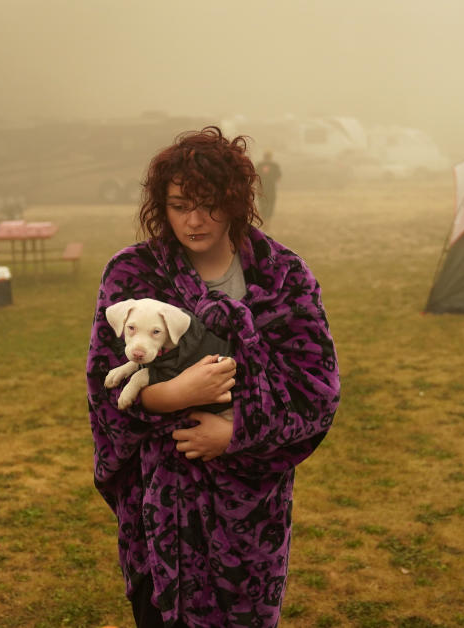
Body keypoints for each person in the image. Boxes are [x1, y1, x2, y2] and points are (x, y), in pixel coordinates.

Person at [86, 126, 340, 628]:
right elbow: (103, 386)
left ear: (236, 200)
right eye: (180, 205)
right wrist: (171, 394)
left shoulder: (283, 275)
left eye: (209, 203)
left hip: (250, 516)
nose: (195, 220)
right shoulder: (133, 274)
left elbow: (317, 391)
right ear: (162, 205)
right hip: (162, 511)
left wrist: (235, 433)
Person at [255, 150, 282, 225]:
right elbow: (278, 177)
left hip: (261, 188)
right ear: (270, 157)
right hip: (271, 188)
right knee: (271, 204)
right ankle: (268, 220)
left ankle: (264, 219)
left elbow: (255, 177)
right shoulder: (274, 165)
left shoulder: (259, 165)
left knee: (262, 204)